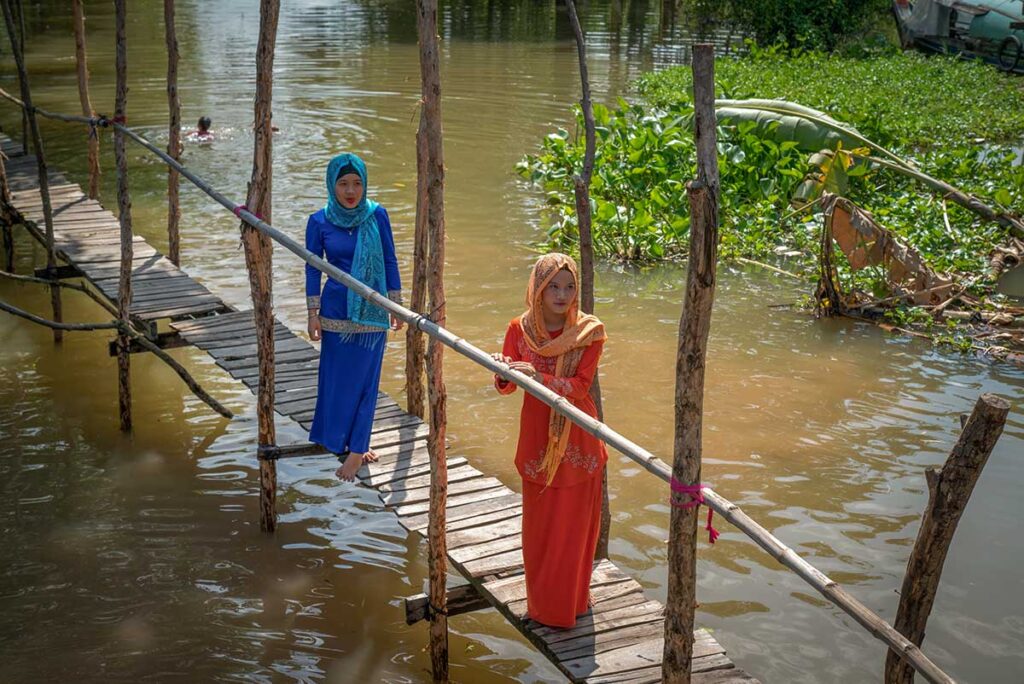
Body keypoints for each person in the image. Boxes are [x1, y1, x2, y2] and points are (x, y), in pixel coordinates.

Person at [491, 253, 607, 628]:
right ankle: (543, 608)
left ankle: (574, 603)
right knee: (540, 533)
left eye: (569, 287)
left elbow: (580, 387)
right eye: (553, 286)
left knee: (573, 534)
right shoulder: (518, 329)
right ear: (537, 291)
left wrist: (536, 377)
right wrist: (504, 370)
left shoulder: (589, 332)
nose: (562, 294)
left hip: (578, 437)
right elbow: (505, 387)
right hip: (537, 440)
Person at [306, 153, 403, 482]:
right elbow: (313, 268)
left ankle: (358, 450)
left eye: (357, 183)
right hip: (335, 313)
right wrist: (312, 314)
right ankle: (347, 441)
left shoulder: (377, 216)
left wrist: (396, 305)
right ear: (332, 185)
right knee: (337, 380)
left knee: (366, 383)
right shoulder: (319, 221)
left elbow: (389, 260)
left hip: (373, 311)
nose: (351, 190)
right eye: (344, 183)